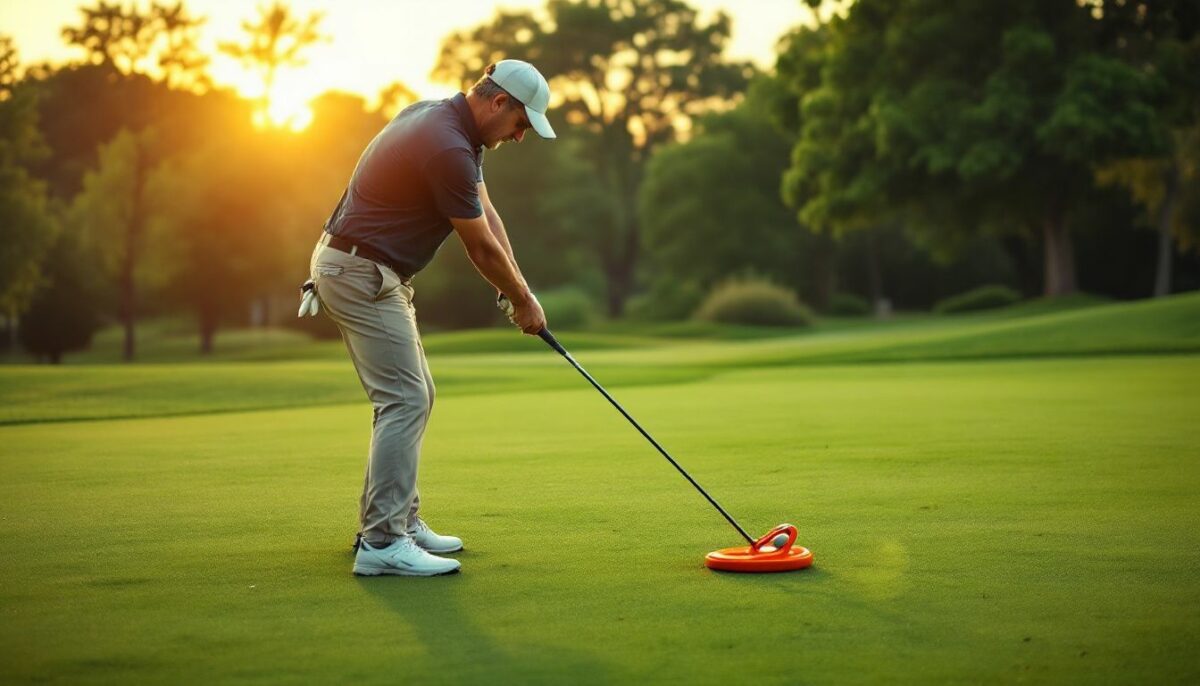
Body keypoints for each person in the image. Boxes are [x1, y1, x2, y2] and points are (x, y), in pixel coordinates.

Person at [302, 60, 554, 576]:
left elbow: (488, 218)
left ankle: (400, 521)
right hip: (360, 271)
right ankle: (382, 543)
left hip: (367, 269)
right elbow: (479, 248)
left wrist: (520, 291)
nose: (521, 135)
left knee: (415, 395)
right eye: (521, 123)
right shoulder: (447, 146)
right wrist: (523, 301)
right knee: (404, 399)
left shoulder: (448, 126)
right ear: (498, 102)